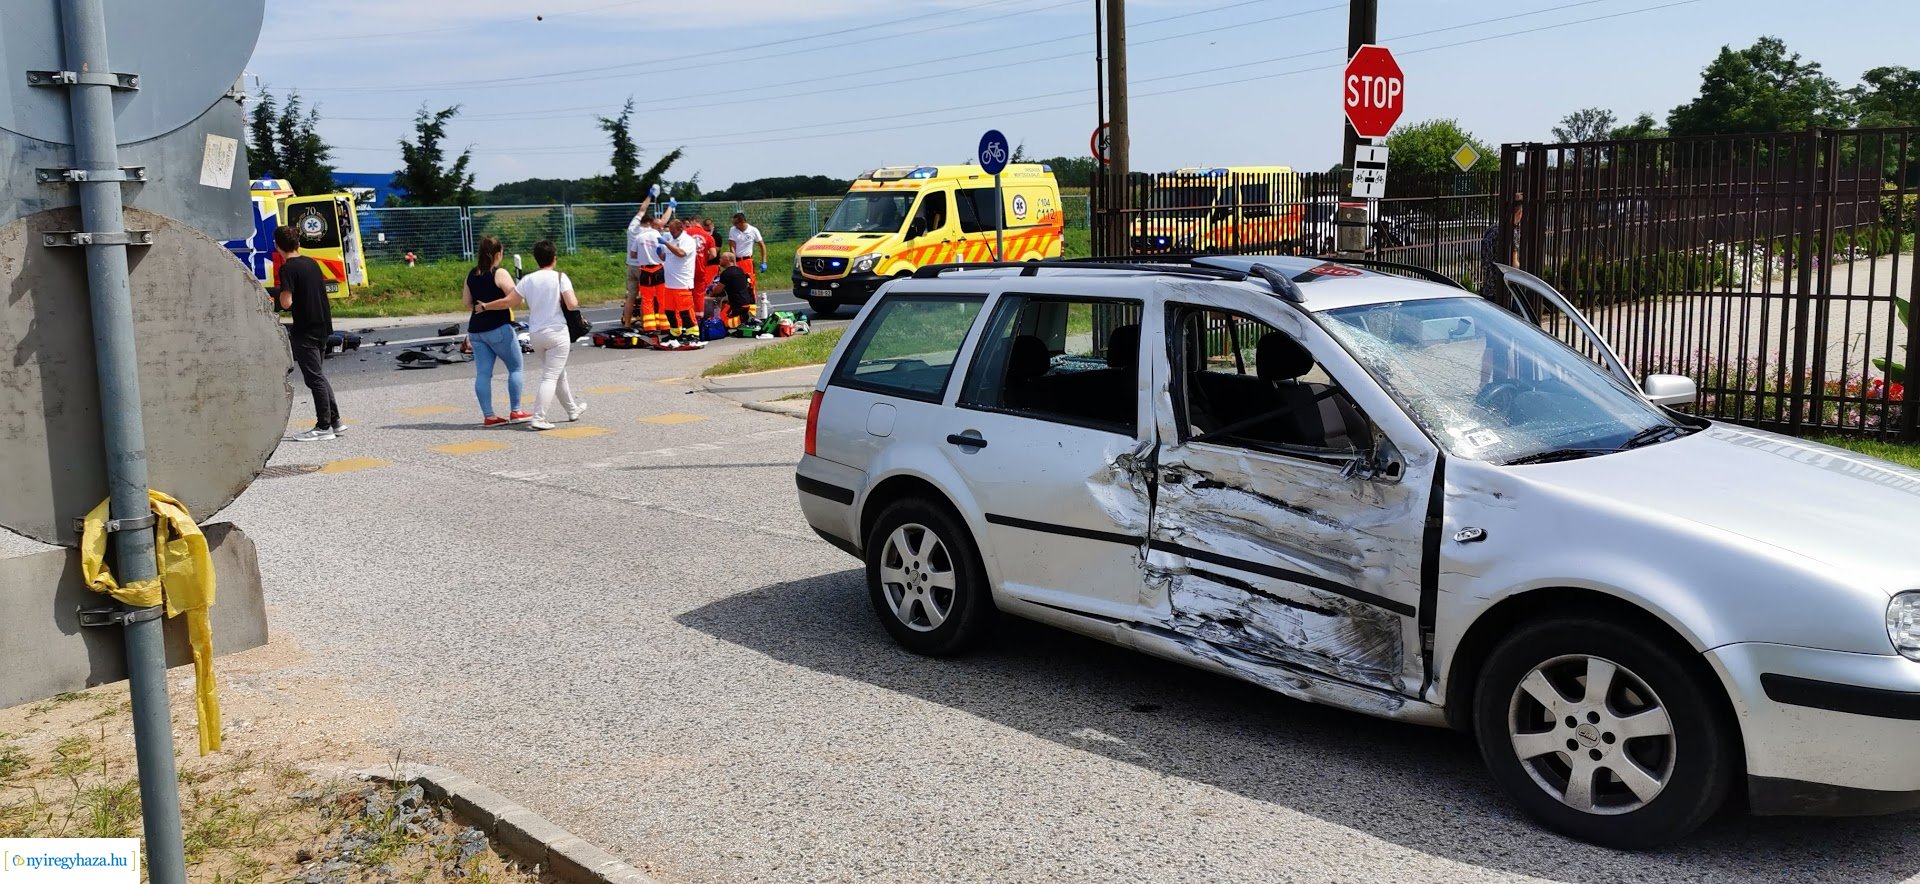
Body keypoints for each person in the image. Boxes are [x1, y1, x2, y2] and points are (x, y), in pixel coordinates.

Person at [273, 225, 343, 442]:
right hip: (322, 325)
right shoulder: (311, 263)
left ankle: (323, 427)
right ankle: (335, 421)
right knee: (318, 375)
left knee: (315, 378)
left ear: (277, 246)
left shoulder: (288, 268)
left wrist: (274, 299)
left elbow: (286, 302)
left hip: (306, 328)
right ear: (298, 243)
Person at [516, 240, 587, 430]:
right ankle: (539, 417)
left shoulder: (528, 279)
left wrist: (487, 305)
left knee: (558, 373)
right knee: (550, 376)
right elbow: (572, 304)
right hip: (556, 332)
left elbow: (512, 300)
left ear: (536, 259)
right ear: (554, 258)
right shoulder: (560, 277)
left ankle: (572, 409)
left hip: (536, 334)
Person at [464, 236, 530, 426]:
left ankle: (489, 415)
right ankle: (516, 411)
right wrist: (489, 305)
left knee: (483, 374)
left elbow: (467, 302)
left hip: (476, 330)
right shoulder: (499, 273)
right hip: (498, 327)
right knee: (515, 368)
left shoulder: (471, 274)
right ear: (498, 254)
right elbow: (515, 299)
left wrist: (481, 305)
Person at [657, 218, 704, 349]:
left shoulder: (688, 241)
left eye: (673, 231)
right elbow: (667, 257)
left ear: (680, 229)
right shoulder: (672, 240)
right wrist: (660, 253)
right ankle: (675, 333)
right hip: (670, 283)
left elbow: (681, 253)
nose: (671, 233)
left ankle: (693, 334)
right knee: (670, 311)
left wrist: (666, 243)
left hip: (682, 282)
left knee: (686, 311)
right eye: (670, 230)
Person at [623, 192, 665, 332]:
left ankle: (627, 323)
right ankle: (644, 323)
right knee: (646, 297)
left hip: (630, 265)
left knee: (631, 297)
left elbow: (642, 209)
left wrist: (649, 196)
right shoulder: (649, 233)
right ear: (650, 223)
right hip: (643, 267)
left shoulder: (632, 227)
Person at [703, 252, 757, 328]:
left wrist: (711, 289)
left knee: (720, 321)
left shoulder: (727, 273)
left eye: (721, 258)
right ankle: (742, 317)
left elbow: (717, 291)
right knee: (724, 303)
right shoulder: (740, 270)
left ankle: (741, 319)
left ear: (727, 260)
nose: (719, 260)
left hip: (736, 305)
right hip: (746, 302)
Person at [728, 212, 766, 290]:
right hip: (737, 260)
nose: (734, 225)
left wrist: (764, 261)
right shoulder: (733, 230)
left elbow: (762, 245)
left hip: (747, 260)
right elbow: (732, 247)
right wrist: (733, 263)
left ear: (742, 222)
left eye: (736, 223)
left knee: (750, 283)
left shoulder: (753, 230)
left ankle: (752, 297)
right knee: (737, 283)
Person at [689, 216, 720, 310]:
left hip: (688, 267)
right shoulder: (708, 236)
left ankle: (689, 313)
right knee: (700, 291)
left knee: (688, 291)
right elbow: (714, 254)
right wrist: (704, 259)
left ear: (693, 221)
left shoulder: (686, 233)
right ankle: (700, 314)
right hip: (702, 266)